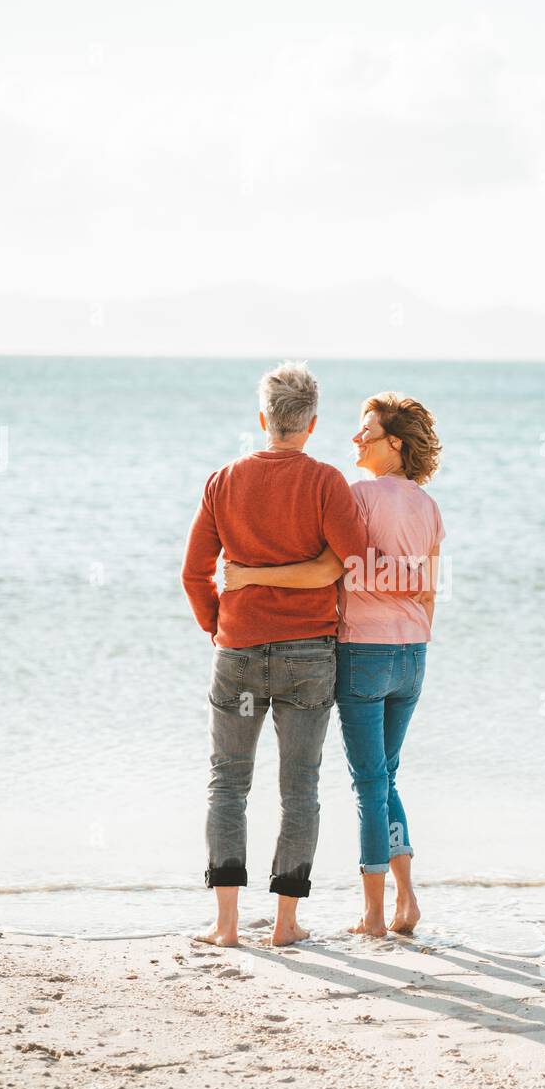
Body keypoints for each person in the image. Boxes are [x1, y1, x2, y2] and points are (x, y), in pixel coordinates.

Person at [224, 393, 444, 937]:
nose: (355, 438)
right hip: (413, 655)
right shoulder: (427, 506)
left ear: (394, 443)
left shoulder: (359, 496)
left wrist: (252, 577)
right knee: (388, 777)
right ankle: (407, 901)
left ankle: (373, 912)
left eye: (366, 430)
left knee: (369, 781)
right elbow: (430, 590)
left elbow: (334, 569)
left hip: (363, 652)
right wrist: (414, 633)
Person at [180, 361, 370, 949]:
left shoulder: (224, 481)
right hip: (310, 656)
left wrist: (221, 624)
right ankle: (286, 924)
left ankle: (227, 925)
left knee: (228, 784)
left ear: (264, 419)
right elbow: (354, 560)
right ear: (311, 424)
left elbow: (193, 574)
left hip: (237, 653)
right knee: (300, 788)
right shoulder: (326, 483)